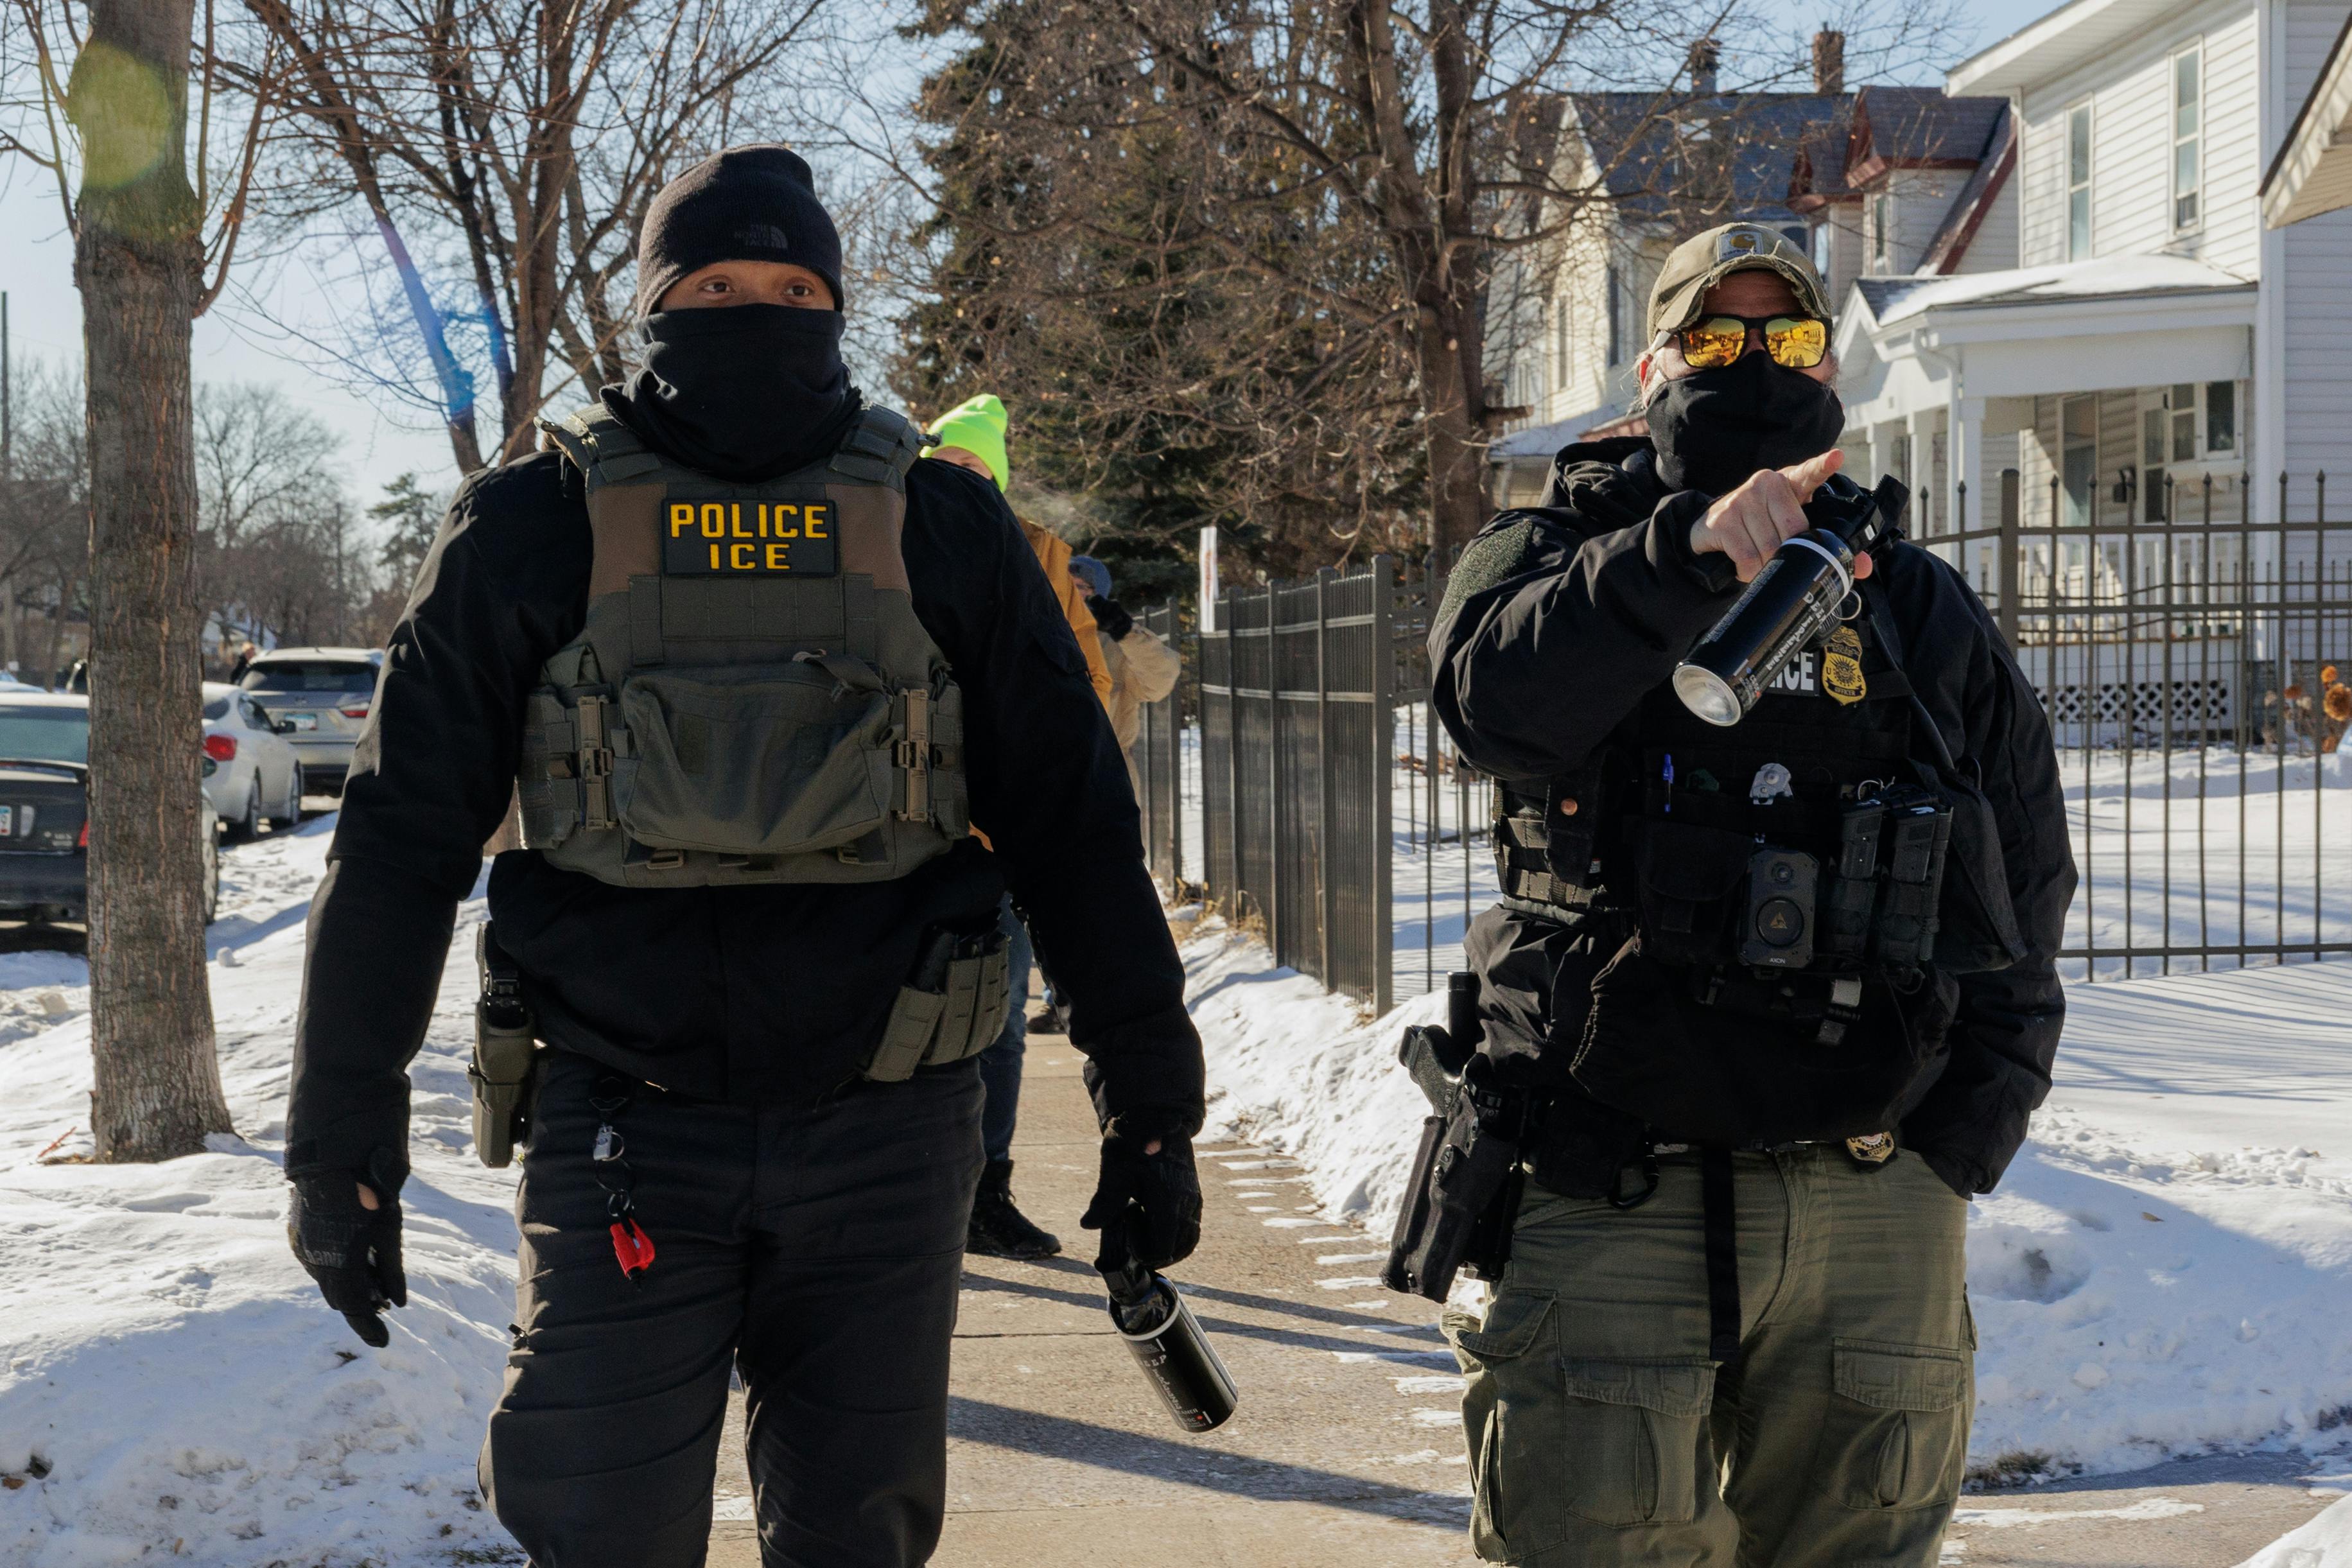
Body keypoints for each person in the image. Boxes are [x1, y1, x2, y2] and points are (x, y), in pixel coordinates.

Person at [281, 145, 1205, 1568]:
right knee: (595, 1526)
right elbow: (401, 841)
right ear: (653, 302)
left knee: (857, 1535)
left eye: (790, 285)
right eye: (713, 284)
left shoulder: (946, 523)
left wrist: (1149, 1103)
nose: (755, 311)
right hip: (623, 1125)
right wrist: (338, 1137)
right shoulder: (527, 526)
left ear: (835, 303)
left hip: (890, 1127)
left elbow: (1074, 827)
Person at [1425, 222, 2074, 1568]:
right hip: (1613, 1179)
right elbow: (1486, 706)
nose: (1755, 363)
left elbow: (2023, 866)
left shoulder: (1906, 596)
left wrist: (1976, 1118)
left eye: (1784, 338)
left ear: (1827, 361)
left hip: (1867, 1187)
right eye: (1717, 338)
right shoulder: (1558, 550)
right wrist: (1677, 557)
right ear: (1656, 361)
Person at [923, 394, 1111, 1260]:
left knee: (995, 1022)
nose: (960, 478)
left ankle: (982, 1192)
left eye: (976, 467)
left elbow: (1083, 694)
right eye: (946, 461)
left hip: (998, 840)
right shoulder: (878, 534)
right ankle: (902, 1194)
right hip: (898, 836)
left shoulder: (1042, 559)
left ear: (996, 479)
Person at [1067, 555, 1180, 801]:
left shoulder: (1119, 645)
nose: (1072, 595)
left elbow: (1158, 681)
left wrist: (1127, 633)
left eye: (1081, 587)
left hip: (1105, 778)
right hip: (1040, 777)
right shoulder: (1031, 634)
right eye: (1066, 586)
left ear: (1098, 594)